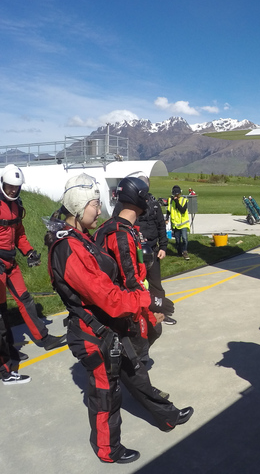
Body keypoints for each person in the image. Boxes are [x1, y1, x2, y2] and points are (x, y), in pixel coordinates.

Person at [45, 173, 193, 464]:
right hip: (93, 332)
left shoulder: (81, 238)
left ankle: (167, 416)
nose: (100, 210)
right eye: (94, 205)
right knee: (105, 394)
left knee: (133, 372)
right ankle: (107, 450)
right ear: (78, 207)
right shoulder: (69, 249)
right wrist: (148, 300)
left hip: (107, 328)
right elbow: (110, 298)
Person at [93, 177, 176, 366]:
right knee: (150, 331)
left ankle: (132, 362)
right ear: (138, 199)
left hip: (122, 301)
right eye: (145, 198)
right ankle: (133, 366)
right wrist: (155, 302)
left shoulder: (115, 228)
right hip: (125, 305)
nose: (148, 202)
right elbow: (130, 280)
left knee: (154, 329)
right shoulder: (122, 235)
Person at [0, 164, 66, 351]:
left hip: (10, 263)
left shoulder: (17, 206)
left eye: (16, 187)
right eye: (9, 186)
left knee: (26, 300)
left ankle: (44, 338)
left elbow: (19, 233)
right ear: (2, 184)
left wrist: (29, 251)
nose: (13, 190)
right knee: (1, 309)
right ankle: (7, 352)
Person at [114, 173, 177, 326]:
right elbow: (116, 224)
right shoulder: (123, 207)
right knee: (135, 283)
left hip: (153, 250)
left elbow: (161, 226)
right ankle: (140, 314)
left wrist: (163, 247)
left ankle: (160, 312)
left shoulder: (154, 205)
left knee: (155, 284)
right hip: (134, 251)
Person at [166, 185, 190, 260]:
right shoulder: (170, 200)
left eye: (177, 194)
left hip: (183, 223)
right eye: (175, 194)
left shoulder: (184, 200)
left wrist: (176, 201)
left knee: (185, 238)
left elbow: (182, 210)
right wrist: (166, 218)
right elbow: (169, 210)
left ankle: (185, 251)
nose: (176, 196)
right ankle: (179, 252)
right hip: (175, 224)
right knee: (177, 239)